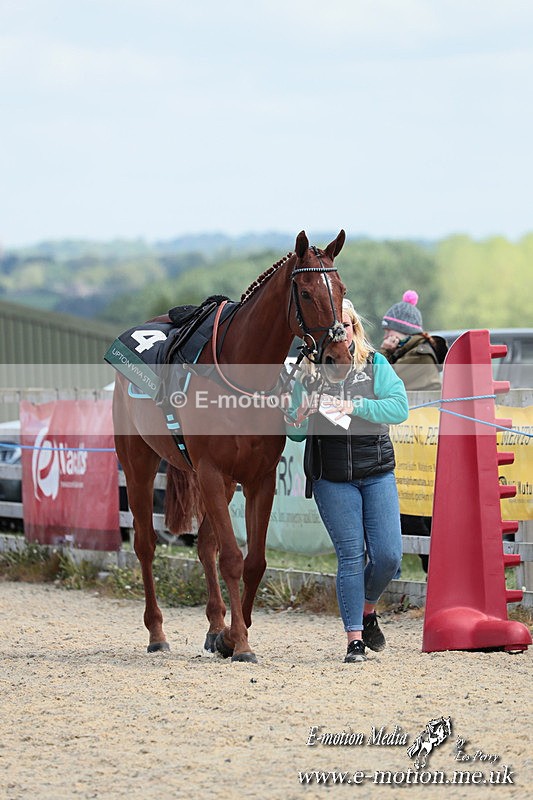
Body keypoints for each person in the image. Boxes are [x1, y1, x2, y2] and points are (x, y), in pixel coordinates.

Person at [286, 299, 409, 664]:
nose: (341, 334)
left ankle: (368, 609)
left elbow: (398, 407)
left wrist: (357, 407)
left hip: (377, 472)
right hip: (332, 477)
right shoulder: (308, 372)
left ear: (356, 328)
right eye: (333, 328)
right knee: (351, 557)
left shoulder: (375, 365)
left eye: (346, 325)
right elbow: (290, 430)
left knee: (389, 557)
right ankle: (354, 638)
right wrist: (300, 414)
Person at [379, 290, 448, 573]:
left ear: (403, 331)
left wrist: (385, 352)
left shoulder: (419, 356)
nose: (386, 335)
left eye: (390, 329)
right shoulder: (410, 353)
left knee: (416, 512)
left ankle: (435, 569)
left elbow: (381, 383)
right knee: (414, 510)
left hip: (417, 441)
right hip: (412, 440)